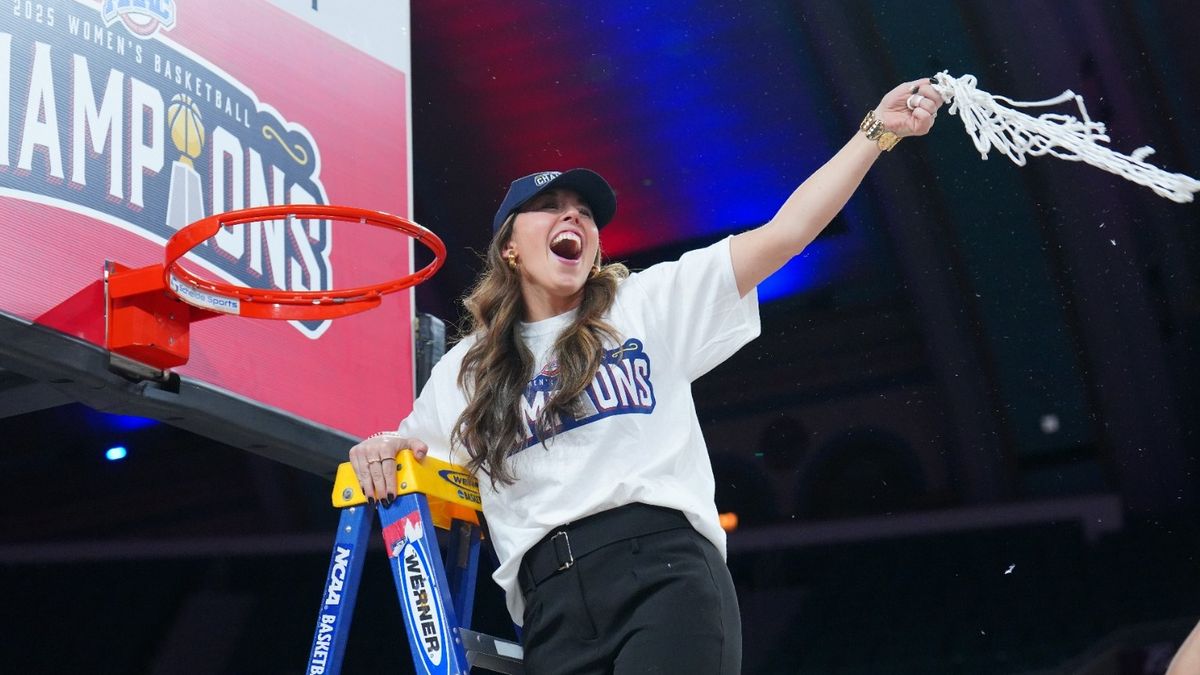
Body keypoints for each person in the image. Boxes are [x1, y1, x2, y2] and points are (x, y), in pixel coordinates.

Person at [349, 78, 944, 674]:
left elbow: (786, 234)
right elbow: (407, 453)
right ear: (509, 248)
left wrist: (877, 133)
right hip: (548, 608)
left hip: (664, 575)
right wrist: (380, 449)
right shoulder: (465, 370)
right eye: (554, 209)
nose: (575, 219)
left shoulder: (643, 303)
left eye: (585, 214)